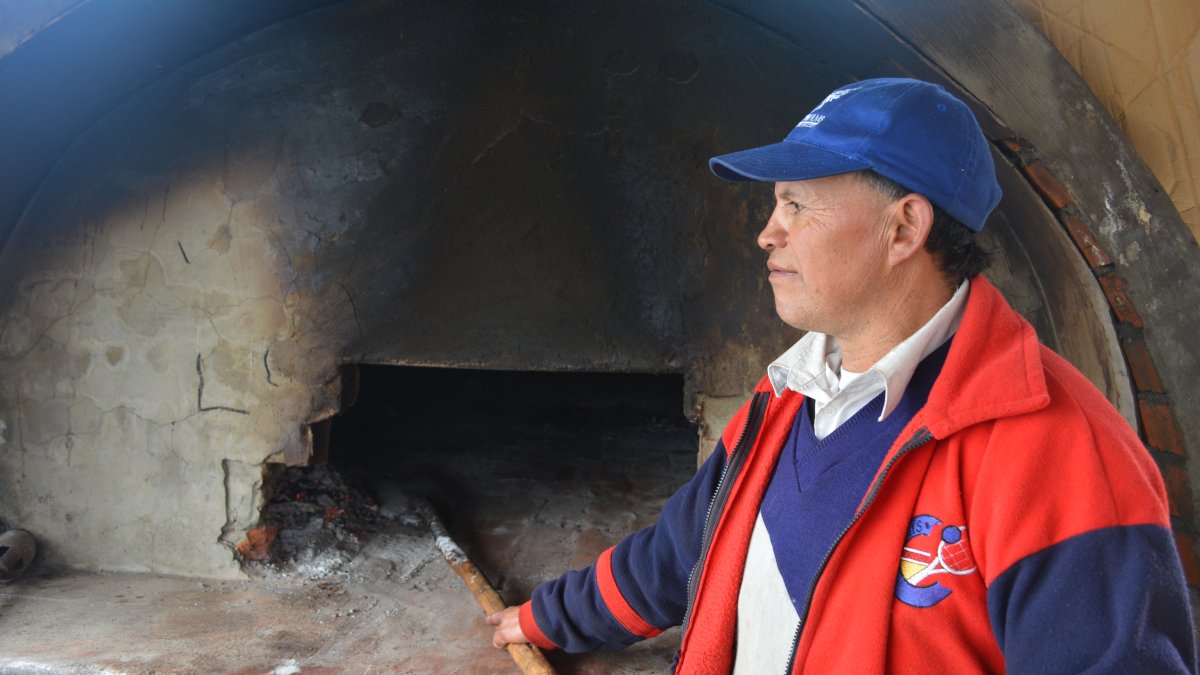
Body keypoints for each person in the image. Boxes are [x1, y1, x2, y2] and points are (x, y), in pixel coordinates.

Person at [486, 77, 1197, 672]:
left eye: (796, 203)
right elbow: (679, 555)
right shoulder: (789, 394)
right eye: (775, 206)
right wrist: (544, 616)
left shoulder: (1066, 456)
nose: (768, 232)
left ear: (903, 228)